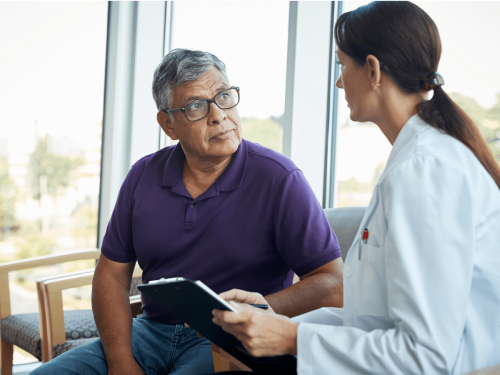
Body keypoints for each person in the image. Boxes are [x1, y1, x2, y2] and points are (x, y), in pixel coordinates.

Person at [211, 1, 500, 374]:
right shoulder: (416, 159)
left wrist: (291, 338)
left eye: (342, 65)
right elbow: (369, 321)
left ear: (373, 70)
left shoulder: (424, 172)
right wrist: (271, 319)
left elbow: (425, 356)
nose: (338, 81)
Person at [31, 49, 344, 375]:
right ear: (168, 124)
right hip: (148, 333)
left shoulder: (280, 178)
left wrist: (258, 309)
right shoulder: (143, 176)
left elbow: (333, 284)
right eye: (196, 105)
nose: (219, 115)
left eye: (224, 96)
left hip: (229, 340)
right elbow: (110, 274)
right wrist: (122, 361)